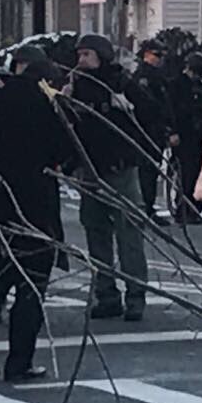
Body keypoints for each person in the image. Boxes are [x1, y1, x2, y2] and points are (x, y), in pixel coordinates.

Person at [0, 45, 70, 382]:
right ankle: (19, 360)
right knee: (32, 282)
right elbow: (63, 152)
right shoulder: (46, 107)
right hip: (32, 202)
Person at [64, 34, 151, 322]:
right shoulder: (75, 85)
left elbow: (151, 115)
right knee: (96, 233)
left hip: (120, 168)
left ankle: (135, 295)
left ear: (101, 56)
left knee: (129, 234)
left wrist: (126, 108)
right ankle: (106, 294)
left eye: (86, 54)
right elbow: (70, 127)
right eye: (79, 55)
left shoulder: (121, 83)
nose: (81, 60)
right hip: (90, 170)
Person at [132, 38, 178, 226]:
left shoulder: (158, 76)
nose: (160, 59)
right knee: (146, 171)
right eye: (157, 55)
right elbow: (150, 107)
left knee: (151, 171)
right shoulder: (143, 77)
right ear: (146, 55)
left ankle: (148, 208)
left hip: (155, 131)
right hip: (146, 131)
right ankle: (145, 209)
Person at [169, 52, 202, 224]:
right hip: (182, 135)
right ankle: (182, 207)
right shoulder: (176, 85)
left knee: (194, 171)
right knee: (185, 173)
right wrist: (172, 132)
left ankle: (188, 204)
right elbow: (171, 110)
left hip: (197, 136)